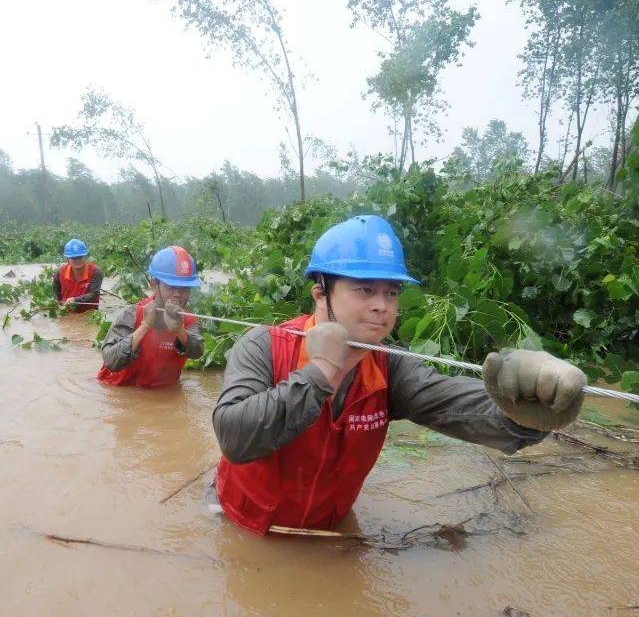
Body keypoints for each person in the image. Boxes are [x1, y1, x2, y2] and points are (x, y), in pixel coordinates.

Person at [211, 215, 587, 535]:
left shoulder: (391, 366)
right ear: (320, 294)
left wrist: (524, 410)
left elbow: (456, 406)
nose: (382, 306)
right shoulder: (263, 345)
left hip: (328, 531)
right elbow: (234, 436)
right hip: (245, 529)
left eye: (391, 293)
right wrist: (322, 370)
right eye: (365, 289)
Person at [98, 246, 206, 388]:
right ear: (155, 285)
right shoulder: (132, 313)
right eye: (171, 287)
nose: (178, 294)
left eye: (184, 288)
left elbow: (198, 352)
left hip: (162, 394)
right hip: (121, 391)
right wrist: (145, 326)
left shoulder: (189, 321)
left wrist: (180, 331)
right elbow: (111, 361)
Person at [53, 238, 103, 313]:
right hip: (66, 313)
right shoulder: (59, 272)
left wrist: (75, 300)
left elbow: (94, 293)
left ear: (85, 256)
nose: (77, 260)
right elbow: (56, 295)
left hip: (90, 314)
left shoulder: (96, 272)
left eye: (80, 257)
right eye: (73, 258)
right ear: (68, 258)